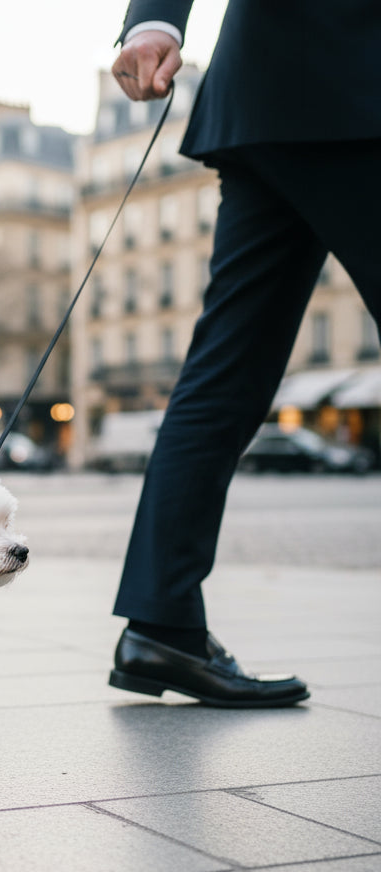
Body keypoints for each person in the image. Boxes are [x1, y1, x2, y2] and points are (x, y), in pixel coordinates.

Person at [106, 1, 381, 707]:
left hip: (265, 91)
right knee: (227, 368)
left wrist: (154, 21)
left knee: (227, 369)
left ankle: (162, 624)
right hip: (355, 82)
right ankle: (161, 624)